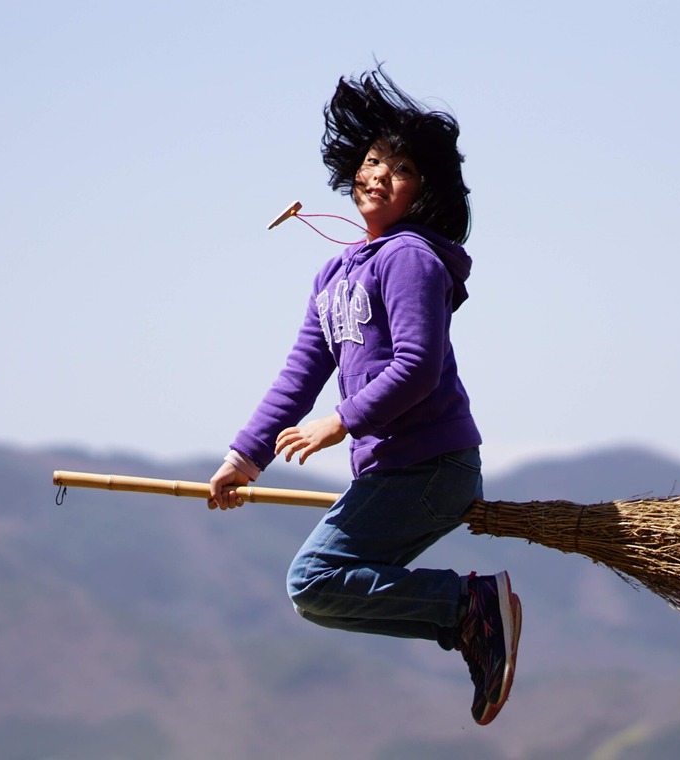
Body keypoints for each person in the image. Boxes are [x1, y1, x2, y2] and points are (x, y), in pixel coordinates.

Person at [207, 68, 522, 725]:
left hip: (431, 468)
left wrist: (339, 424)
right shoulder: (336, 271)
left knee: (313, 582)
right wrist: (246, 456)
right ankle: (469, 618)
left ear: (425, 192)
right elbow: (299, 372)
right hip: (395, 474)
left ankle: (469, 610)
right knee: (324, 591)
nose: (379, 172)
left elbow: (418, 367)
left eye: (401, 167)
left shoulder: (411, 259)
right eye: (373, 159)